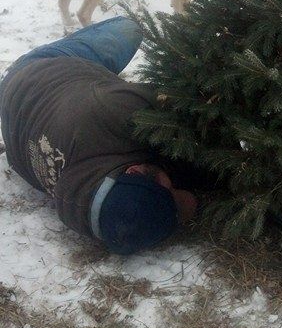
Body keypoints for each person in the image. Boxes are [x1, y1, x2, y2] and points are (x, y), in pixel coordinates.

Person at [0, 17, 198, 255]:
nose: (175, 184)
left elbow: (185, 103)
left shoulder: (107, 111)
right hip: (17, 124)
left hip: (40, 69)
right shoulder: (94, 214)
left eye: (171, 187)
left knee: (129, 28)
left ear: (134, 170)